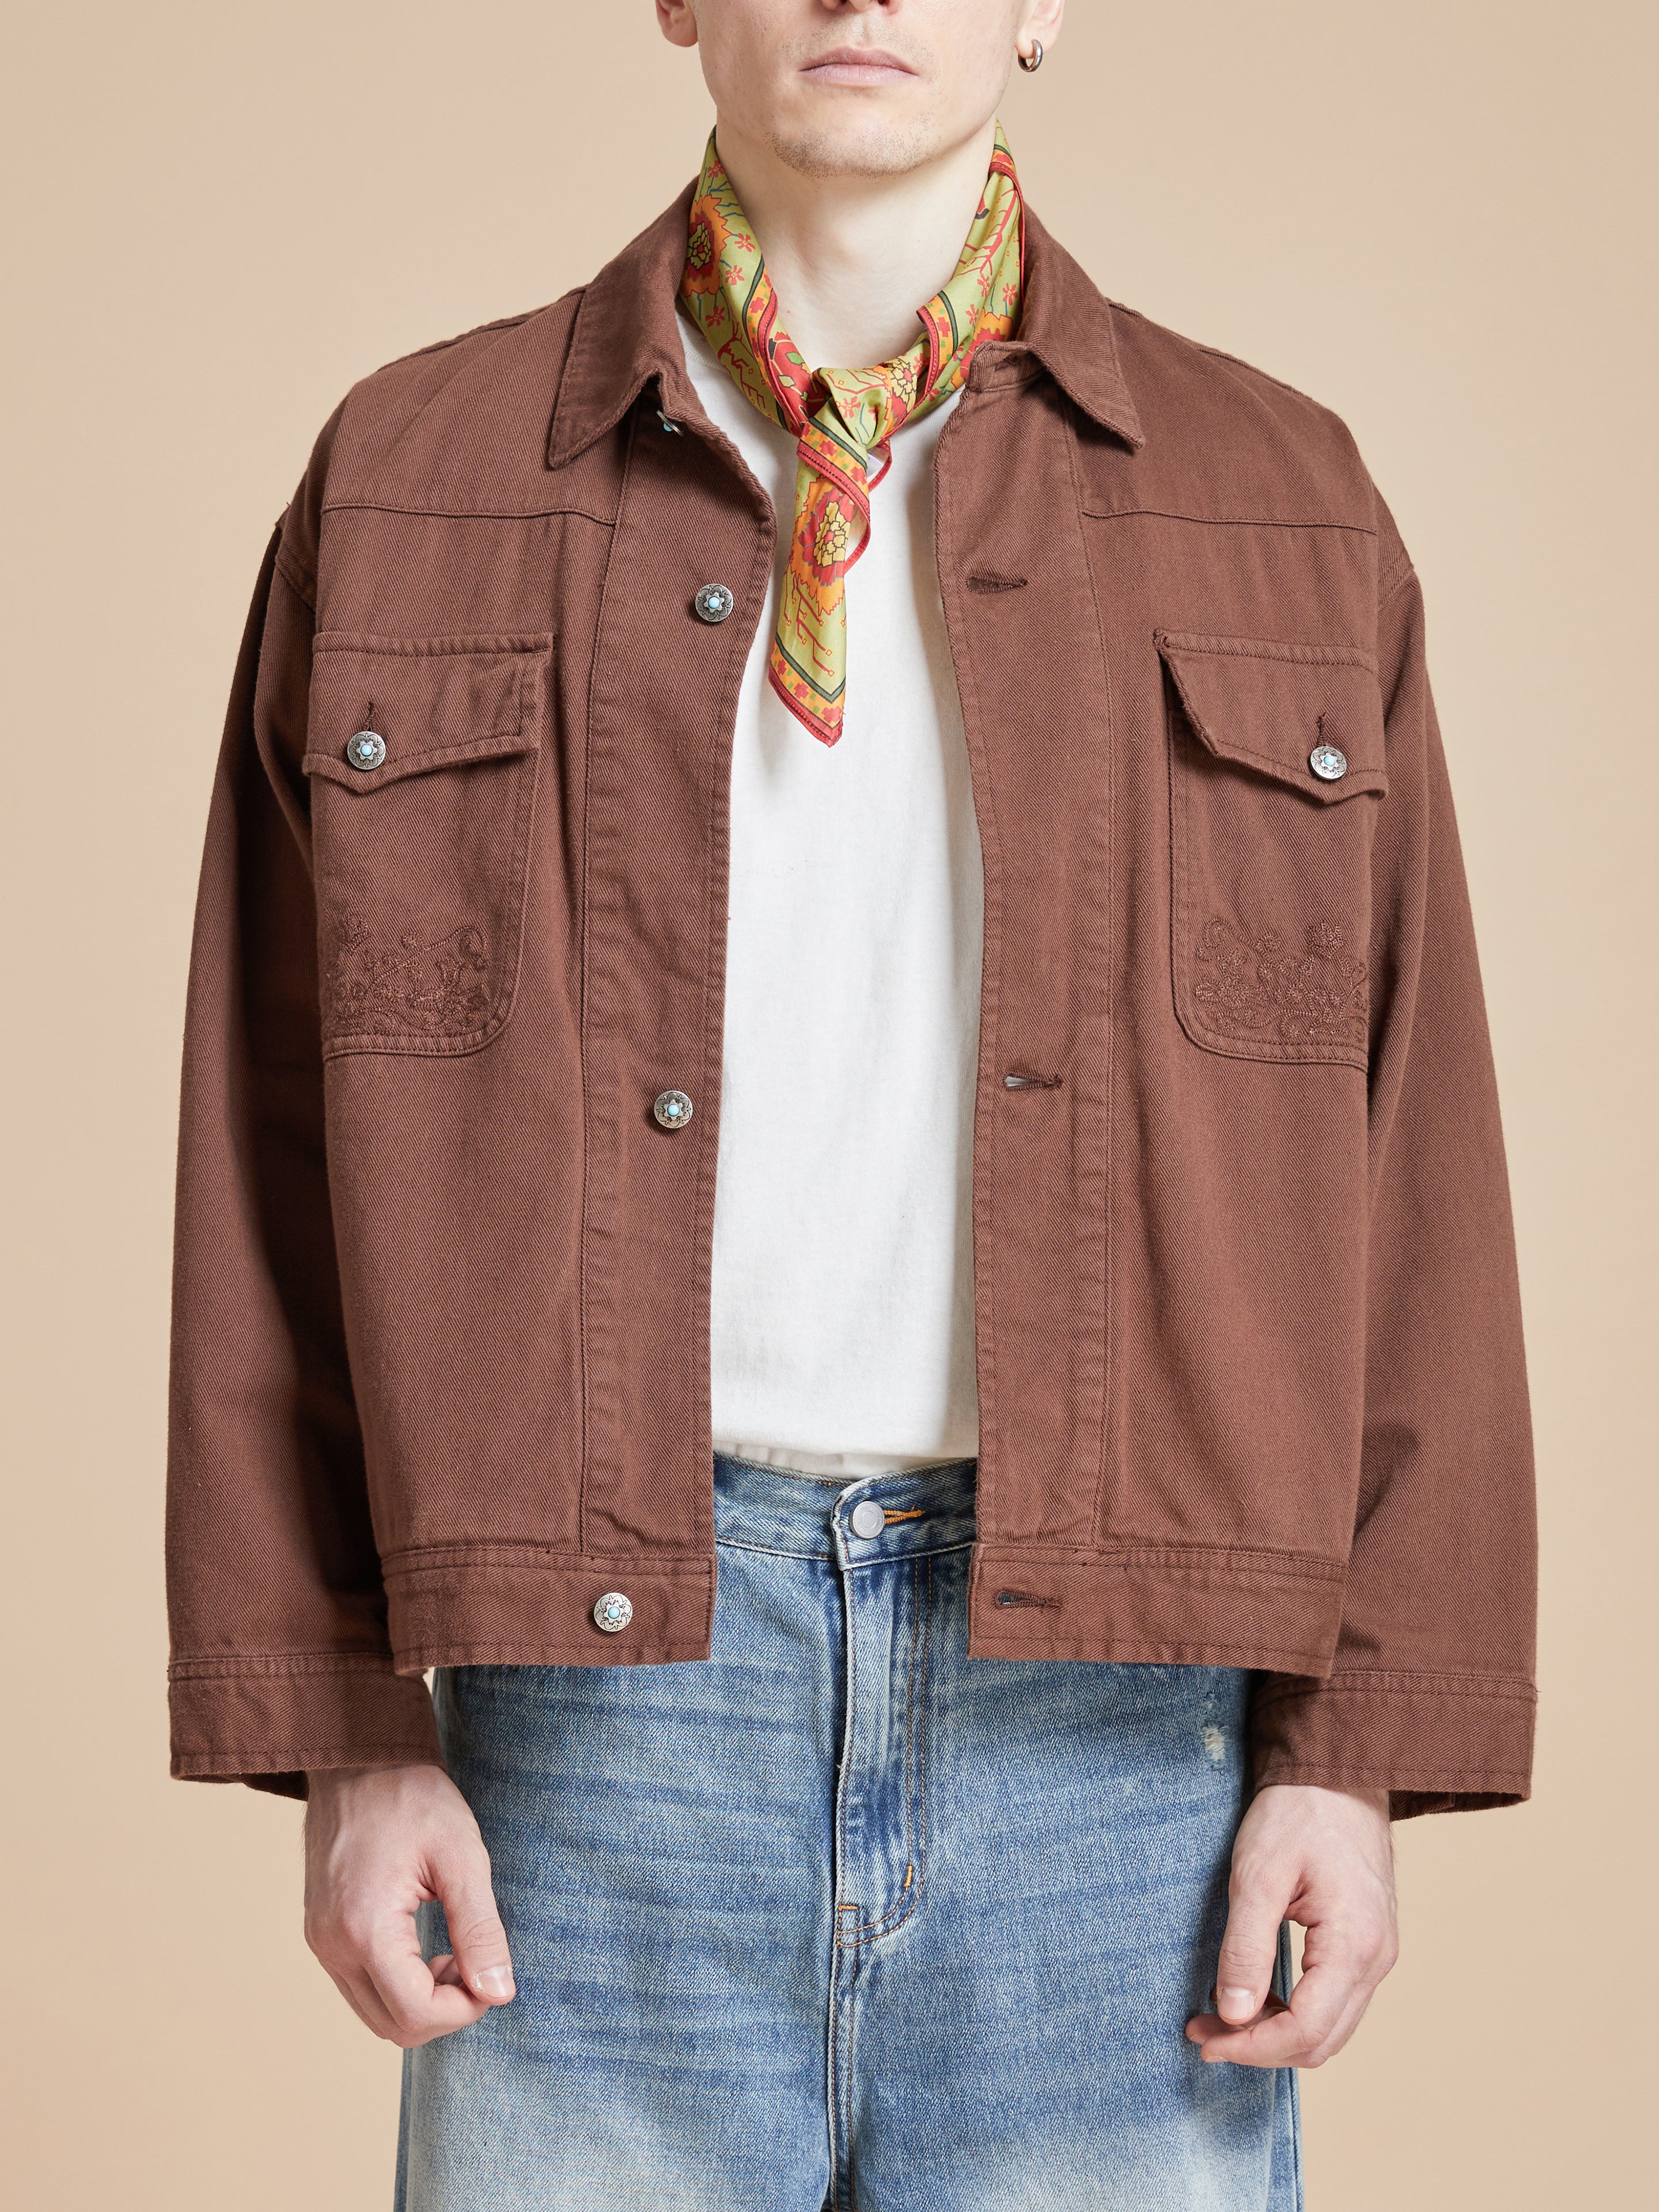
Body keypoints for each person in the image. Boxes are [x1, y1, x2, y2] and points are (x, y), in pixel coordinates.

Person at [165, 1, 1537, 2204]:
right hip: (602, 1722)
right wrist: (339, 1727)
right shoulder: (414, 479)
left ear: (1042, 3)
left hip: (1123, 1738)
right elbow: (259, 1150)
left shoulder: (1281, 502)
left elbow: (1415, 1149)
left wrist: (1353, 1753)